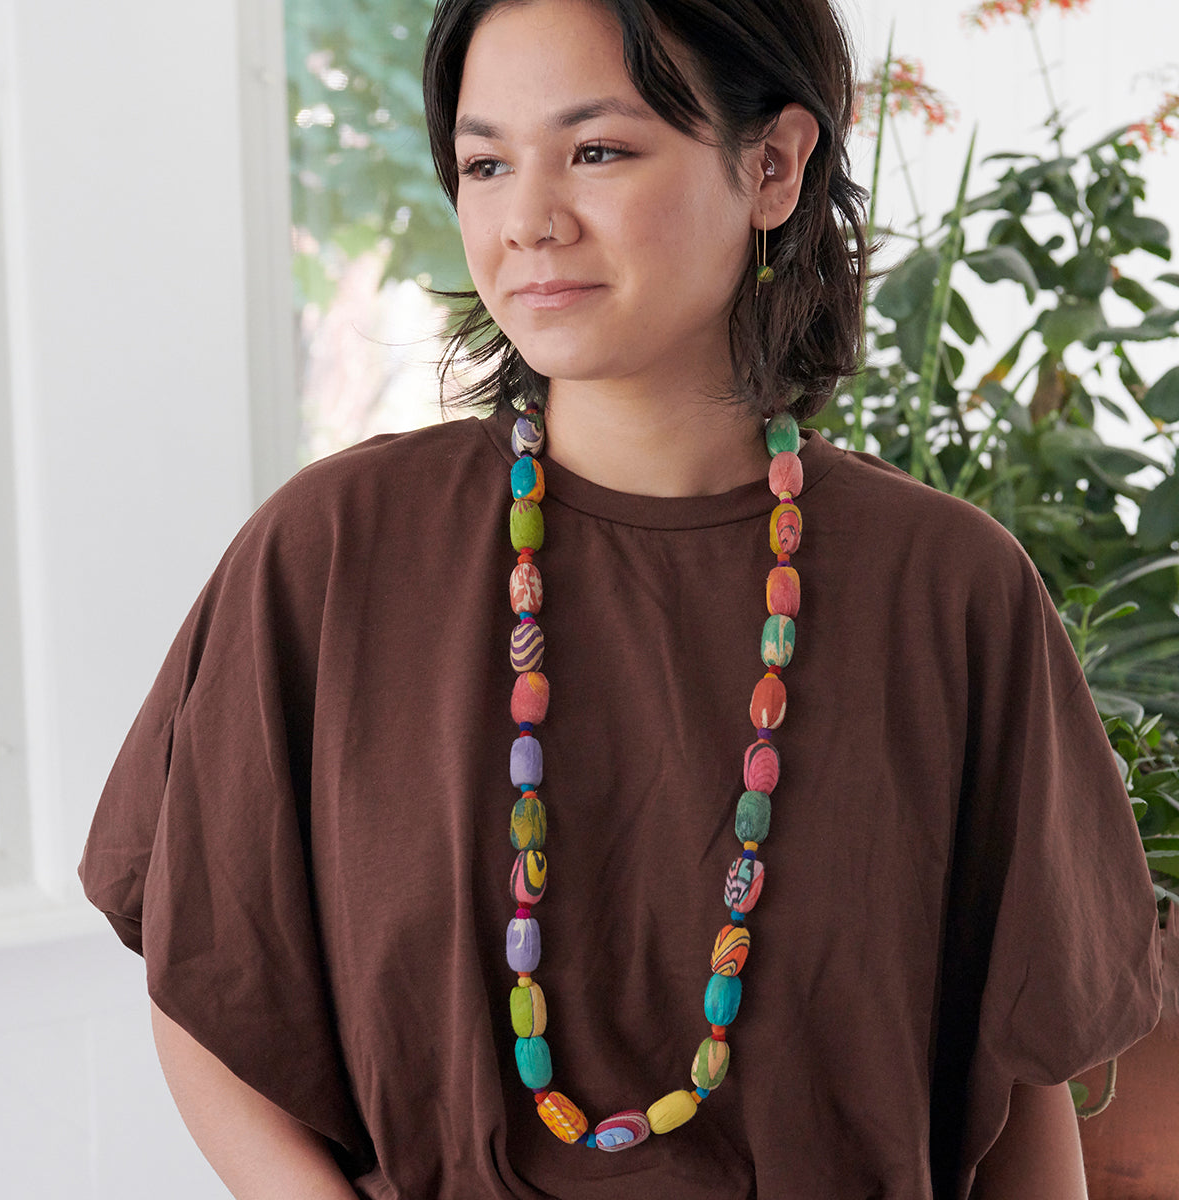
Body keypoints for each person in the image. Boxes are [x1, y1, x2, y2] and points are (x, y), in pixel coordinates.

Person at [78, 0, 1162, 1196]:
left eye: (597, 150)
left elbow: (1017, 1099)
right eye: (486, 163)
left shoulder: (951, 591)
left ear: (773, 164)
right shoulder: (329, 556)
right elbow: (207, 975)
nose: (529, 221)